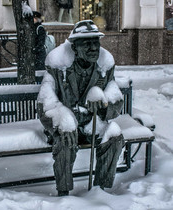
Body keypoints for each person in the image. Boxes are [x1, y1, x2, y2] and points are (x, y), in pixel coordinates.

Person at [37, 20, 124, 196]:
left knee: (114, 137)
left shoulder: (105, 65)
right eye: (87, 44)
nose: (93, 48)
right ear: (75, 47)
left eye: (95, 43)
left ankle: (101, 190)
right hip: (66, 125)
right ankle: (64, 193)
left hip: (92, 122)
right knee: (66, 140)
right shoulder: (57, 65)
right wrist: (63, 118)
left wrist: (103, 105)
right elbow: (44, 102)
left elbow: (116, 96)